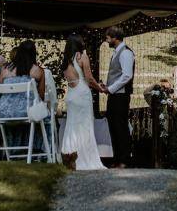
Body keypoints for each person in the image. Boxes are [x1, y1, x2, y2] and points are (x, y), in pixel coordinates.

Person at [58, 34, 106, 171]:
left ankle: (69, 157)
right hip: (83, 95)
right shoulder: (82, 57)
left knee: (71, 127)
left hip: (72, 96)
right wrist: (100, 88)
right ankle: (86, 159)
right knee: (85, 127)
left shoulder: (66, 60)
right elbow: (89, 79)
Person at [103, 26, 136, 168]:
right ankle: (117, 159)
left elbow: (127, 75)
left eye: (108, 38)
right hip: (114, 95)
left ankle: (124, 160)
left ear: (115, 38)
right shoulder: (117, 52)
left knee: (120, 127)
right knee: (113, 127)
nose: (107, 40)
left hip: (121, 96)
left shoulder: (126, 53)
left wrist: (110, 88)